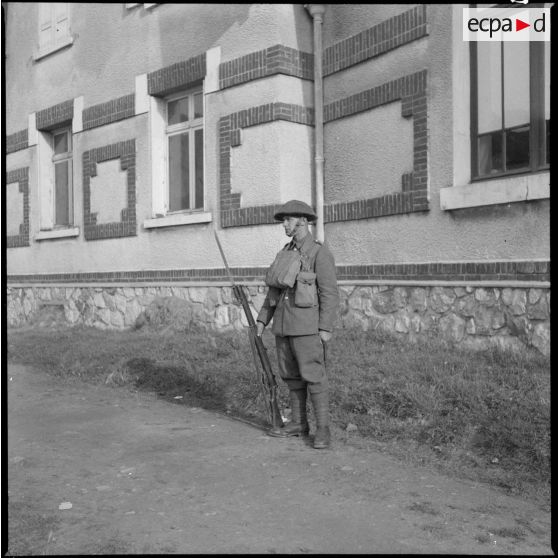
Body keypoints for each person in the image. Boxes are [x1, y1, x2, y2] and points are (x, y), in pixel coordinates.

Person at [256, 200, 339, 449]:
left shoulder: (319, 253)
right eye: (284, 220)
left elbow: (329, 293)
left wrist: (325, 329)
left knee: (313, 376)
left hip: (306, 328)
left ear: (302, 221)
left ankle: (323, 429)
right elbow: (274, 290)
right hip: (283, 326)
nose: (284, 224)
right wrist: (262, 320)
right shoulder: (285, 252)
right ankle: (298, 423)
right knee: (291, 376)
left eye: (288, 220)